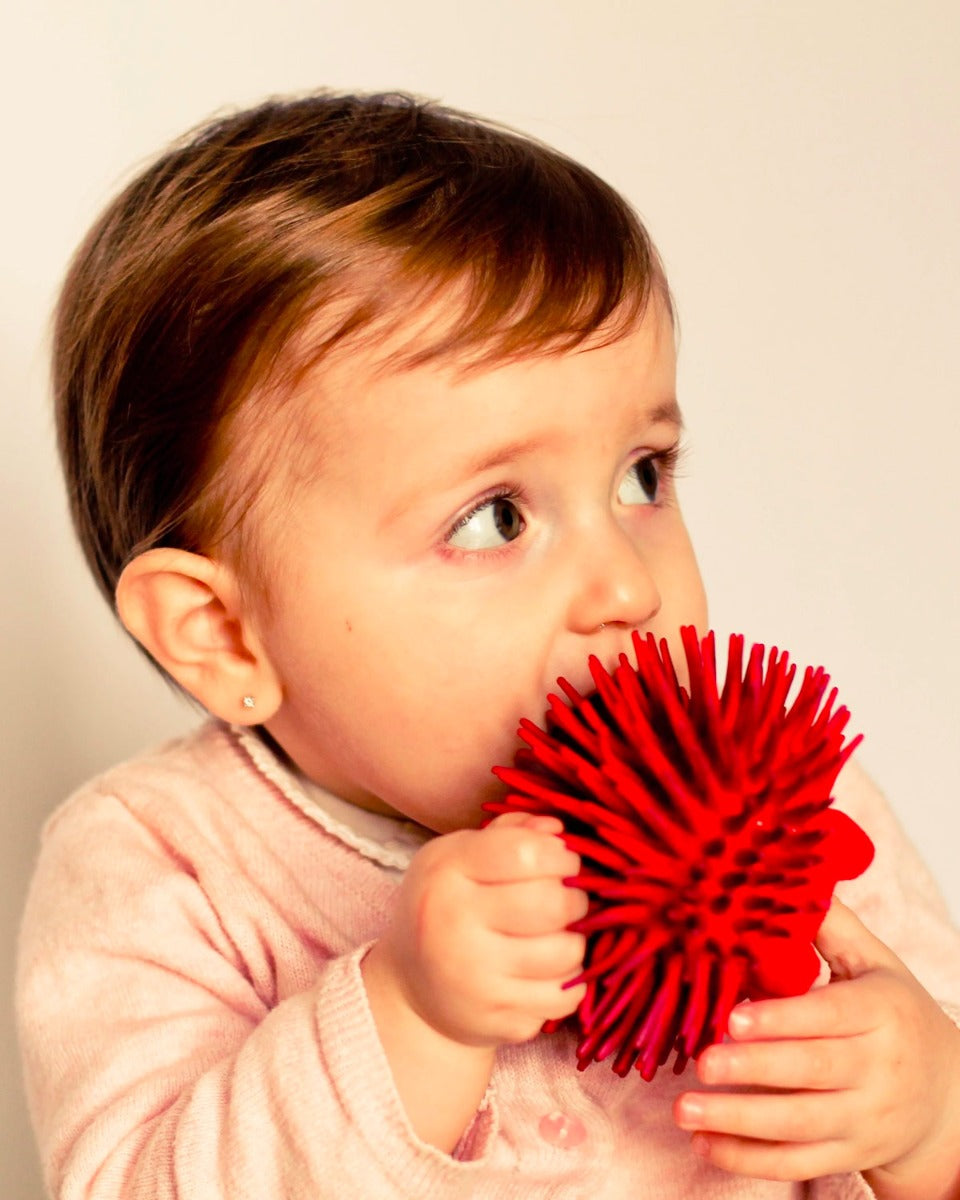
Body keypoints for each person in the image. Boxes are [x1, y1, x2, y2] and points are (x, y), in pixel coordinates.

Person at [16, 91, 960, 1200]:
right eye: (494, 517)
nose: (625, 584)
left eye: (641, 477)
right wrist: (409, 1016)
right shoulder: (161, 863)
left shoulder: (792, 796)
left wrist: (928, 1113)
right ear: (223, 633)